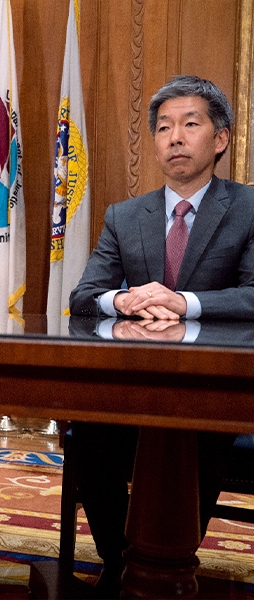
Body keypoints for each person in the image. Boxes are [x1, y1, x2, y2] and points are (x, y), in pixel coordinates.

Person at [68, 74, 253, 596]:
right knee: (89, 430)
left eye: (190, 124)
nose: (175, 137)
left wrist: (183, 302)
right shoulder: (126, 216)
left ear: (219, 139)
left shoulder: (248, 208)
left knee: (195, 441)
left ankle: (172, 563)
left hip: (214, 387)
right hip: (132, 382)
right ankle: (117, 561)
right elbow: (84, 295)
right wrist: (122, 299)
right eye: (165, 127)